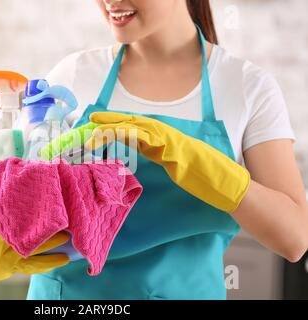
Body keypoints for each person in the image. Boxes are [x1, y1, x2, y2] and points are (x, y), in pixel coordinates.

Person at [27, 0, 308, 299]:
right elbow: (27, 201)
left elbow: (294, 240)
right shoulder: (73, 76)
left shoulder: (245, 87)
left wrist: (204, 168)